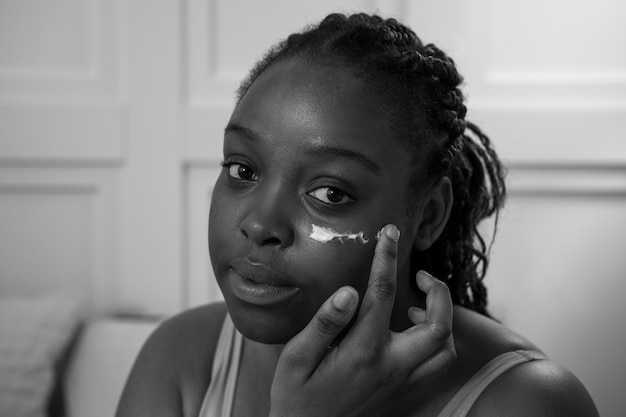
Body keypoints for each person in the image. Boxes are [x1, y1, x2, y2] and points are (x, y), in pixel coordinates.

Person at [116, 12, 599, 417]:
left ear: (427, 215)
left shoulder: (530, 402)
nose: (260, 225)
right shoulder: (181, 360)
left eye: (329, 192)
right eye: (243, 168)